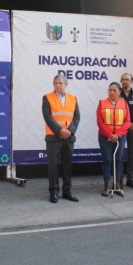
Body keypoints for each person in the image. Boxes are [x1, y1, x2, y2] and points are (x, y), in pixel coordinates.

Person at [42, 74, 81, 203]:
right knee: (53, 167)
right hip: (54, 137)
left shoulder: (73, 98)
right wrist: (60, 131)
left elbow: (77, 117)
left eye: (60, 83)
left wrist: (69, 131)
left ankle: (67, 191)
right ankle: (53, 192)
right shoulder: (47, 97)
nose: (58, 85)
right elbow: (47, 117)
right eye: (55, 83)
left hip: (69, 137)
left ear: (66, 84)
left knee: (67, 166)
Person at [97, 82, 131, 196]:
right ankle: (107, 185)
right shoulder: (102, 103)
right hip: (105, 137)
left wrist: (118, 134)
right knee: (107, 160)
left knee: (118, 160)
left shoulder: (124, 103)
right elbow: (100, 122)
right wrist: (109, 135)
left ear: (119, 92)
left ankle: (117, 185)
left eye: (114, 90)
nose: (111, 92)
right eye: (110, 90)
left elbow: (127, 121)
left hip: (120, 137)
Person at [119, 73, 133, 189]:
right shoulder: (118, 95)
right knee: (120, 153)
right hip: (121, 129)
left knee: (132, 154)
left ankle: (130, 179)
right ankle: (120, 179)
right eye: (123, 80)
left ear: (131, 81)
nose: (125, 82)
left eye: (127, 80)